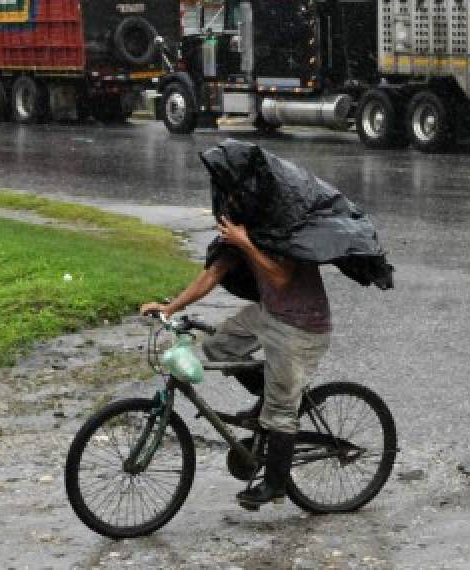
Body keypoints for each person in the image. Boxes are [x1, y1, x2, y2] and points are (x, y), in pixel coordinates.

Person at [141, 204, 331, 511]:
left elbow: (280, 278)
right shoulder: (241, 232)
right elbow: (210, 276)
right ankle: (271, 402)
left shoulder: (282, 234)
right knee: (218, 346)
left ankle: (274, 485)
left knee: (281, 410)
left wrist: (245, 242)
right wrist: (169, 309)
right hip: (269, 314)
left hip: (302, 324)